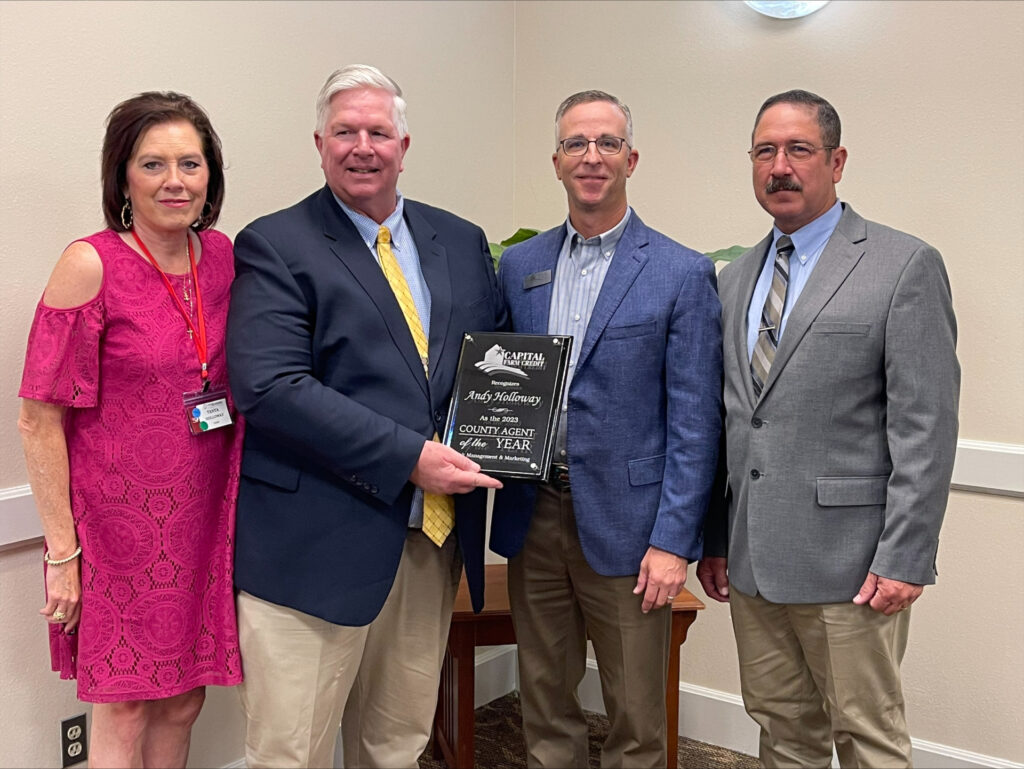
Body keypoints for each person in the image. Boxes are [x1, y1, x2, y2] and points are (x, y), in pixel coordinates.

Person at [226, 64, 505, 769]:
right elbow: (271, 386)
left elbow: (491, 362)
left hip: (428, 543)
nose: (362, 147)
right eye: (345, 132)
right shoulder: (275, 243)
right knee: (290, 752)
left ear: (403, 147)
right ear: (319, 145)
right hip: (312, 547)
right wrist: (411, 456)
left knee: (396, 745)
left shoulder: (460, 240)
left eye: (378, 132)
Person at [697, 89, 960, 768]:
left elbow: (925, 427)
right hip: (754, 561)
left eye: (799, 149)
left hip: (854, 566)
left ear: (836, 161)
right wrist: (717, 537)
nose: (779, 166)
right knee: (783, 733)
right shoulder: (734, 279)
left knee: (868, 738)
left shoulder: (902, 265)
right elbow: (733, 421)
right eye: (765, 151)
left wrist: (905, 556)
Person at [490, 90, 723, 768]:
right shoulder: (519, 267)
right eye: (576, 143)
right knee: (544, 701)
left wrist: (673, 541)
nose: (591, 157)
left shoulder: (680, 271)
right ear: (557, 161)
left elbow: (695, 422)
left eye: (607, 143)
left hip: (633, 527)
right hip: (536, 515)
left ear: (631, 158)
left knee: (635, 716)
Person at [17, 92, 242, 767]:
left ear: (210, 175)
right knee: (125, 705)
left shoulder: (223, 257)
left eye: (190, 163)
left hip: (206, 517)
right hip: (117, 529)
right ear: (122, 177)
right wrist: (63, 553)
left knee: (185, 699)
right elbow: (38, 418)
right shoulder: (89, 264)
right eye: (153, 164)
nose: (175, 181)